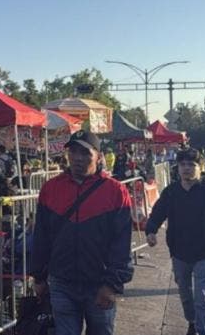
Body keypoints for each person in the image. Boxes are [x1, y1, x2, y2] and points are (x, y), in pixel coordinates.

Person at [31, 131, 134, 335]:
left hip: (100, 283)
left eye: (85, 152)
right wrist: (38, 277)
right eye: (73, 152)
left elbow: (122, 244)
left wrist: (111, 284)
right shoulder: (50, 189)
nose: (78, 158)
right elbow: (41, 235)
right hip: (62, 282)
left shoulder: (116, 192)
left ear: (98, 156)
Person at [145, 148, 205, 335]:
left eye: (191, 165)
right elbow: (157, 213)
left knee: (202, 297)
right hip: (180, 251)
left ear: (201, 167)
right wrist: (151, 231)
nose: (186, 168)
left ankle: (203, 331)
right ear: (177, 167)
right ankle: (192, 322)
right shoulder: (171, 192)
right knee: (185, 294)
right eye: (182, 164)